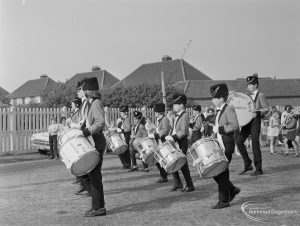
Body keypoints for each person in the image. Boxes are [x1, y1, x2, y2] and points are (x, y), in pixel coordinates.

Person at [79, 77, 107, 217]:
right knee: (93, 175)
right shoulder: (91, 103)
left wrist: (86, 131)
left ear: (88, 91)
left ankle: (99, 208)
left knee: (95, 177)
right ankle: (96, 206)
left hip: (97, 141)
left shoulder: (96, 103)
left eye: (83, 89)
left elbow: (100, 123)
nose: (82, 92)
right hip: (93, 141)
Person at [210, 83, 241, 209]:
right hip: (220, 144)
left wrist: (220, 129)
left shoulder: (228, 109)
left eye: (214, 98)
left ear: (221, 99)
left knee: (220, 172)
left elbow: (235, 126)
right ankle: (232, 189)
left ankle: (224, 201)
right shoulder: (220, 110)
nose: (212, 100)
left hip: (227, 144)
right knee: (216, 171)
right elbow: (218, 128)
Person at [236, 74, 269, 176]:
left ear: (255, 85)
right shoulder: (248, 95)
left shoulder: (260, 95)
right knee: (238, 141)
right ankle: (247, 163)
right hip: (247, 122)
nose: (248, 87)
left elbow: (266, 109)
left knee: (255, 145)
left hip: (255, 121)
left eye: (249, 85)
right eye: (248, 85)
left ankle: (258, 169)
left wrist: (259, 112)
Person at [165, 94, 195, 192]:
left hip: (181, 142)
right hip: (175, 141)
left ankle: (190, 185)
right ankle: (178, 183)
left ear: (181, 105)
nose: (173, 107)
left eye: (175, 104)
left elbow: (183, 131)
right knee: (173, 161)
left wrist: (173, 137)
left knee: (183, 164)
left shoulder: (185, 115)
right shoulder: (177, 116)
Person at [148, 103, 170, 183]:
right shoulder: (160, 119)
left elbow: (164, 130)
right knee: (159, 160)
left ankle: (164, 176)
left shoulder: (164, 119)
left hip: (164, 141)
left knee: (161, 160)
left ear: (158, 112)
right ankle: (164, 175)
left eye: (155, 112)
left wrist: (155, 135)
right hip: (160, 141)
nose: (154, 113)